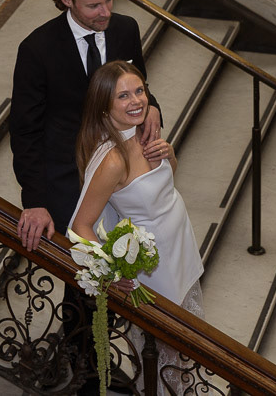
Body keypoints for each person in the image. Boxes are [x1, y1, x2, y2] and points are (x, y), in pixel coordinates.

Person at [10, 0, 161, 250]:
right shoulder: (37, 50)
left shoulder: (125, 29)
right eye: (93, 5)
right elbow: (25, 131)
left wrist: (153, 105)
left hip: (125, 166)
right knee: (84, 264)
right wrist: (36, 200)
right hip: (69, 176)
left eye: (109, 0)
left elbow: (137, 81)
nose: (105, 12)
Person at [69, 61, 205, 391]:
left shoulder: (144, 133)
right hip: (156, 272)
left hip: (180, 251)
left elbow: (164, 184)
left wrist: (169, 155)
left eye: (139, 91)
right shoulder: (112, 160)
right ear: (104, 106)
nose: (136, 101)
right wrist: (111, 273)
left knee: (183, 356)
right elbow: (80, 226)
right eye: (123, 96)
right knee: (164, 360)